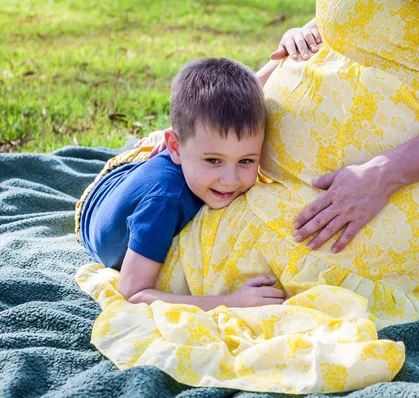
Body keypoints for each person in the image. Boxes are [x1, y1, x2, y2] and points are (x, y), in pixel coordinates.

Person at [77, 0, 419, 392]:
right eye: (211, 160)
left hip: (394, 184)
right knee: (173, 228)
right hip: (181, 189)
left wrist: (381, 176)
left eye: (233, 163)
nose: (227, 173)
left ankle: (418, 270)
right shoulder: (173, 191)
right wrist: (306, 36)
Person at [75, 58, 289, 309]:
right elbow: (132, 293)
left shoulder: (200, 164)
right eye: (214, 160)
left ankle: (167, 141)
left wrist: (287, 49)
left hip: (159, 167)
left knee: (201, 129)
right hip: (99, 198)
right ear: (175, 147)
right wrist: (230, 301)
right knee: (162, 152)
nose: (230, 180)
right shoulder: (163, 204)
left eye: (245, 161)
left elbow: (251, 89)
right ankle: (158, 140)